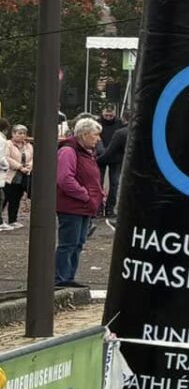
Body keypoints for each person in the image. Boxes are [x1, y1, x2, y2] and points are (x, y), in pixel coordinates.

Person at [53, 116, 105, 287]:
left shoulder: (87, 153)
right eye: (95, 135)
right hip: (72, 205)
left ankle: (69, 277)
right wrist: (85, 195)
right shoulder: (68, 151)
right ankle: (61, 278)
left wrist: (97, 194)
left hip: (85, 206)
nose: (98, 139)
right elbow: (64, 179)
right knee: (69, 243)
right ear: (83, 134)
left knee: (78, 243)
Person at [2, 125, 28, 228]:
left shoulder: (28, 146)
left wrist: (29, 165)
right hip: (9, 175)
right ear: (13, 134)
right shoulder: (8, 144)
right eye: (19, 133)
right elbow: (6, 157)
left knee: (16, 199)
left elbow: (33, 157)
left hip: (22, 177)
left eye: (24, 133)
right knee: (5, 198)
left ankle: (13, 220)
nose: (22, 136)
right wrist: (19, 167)